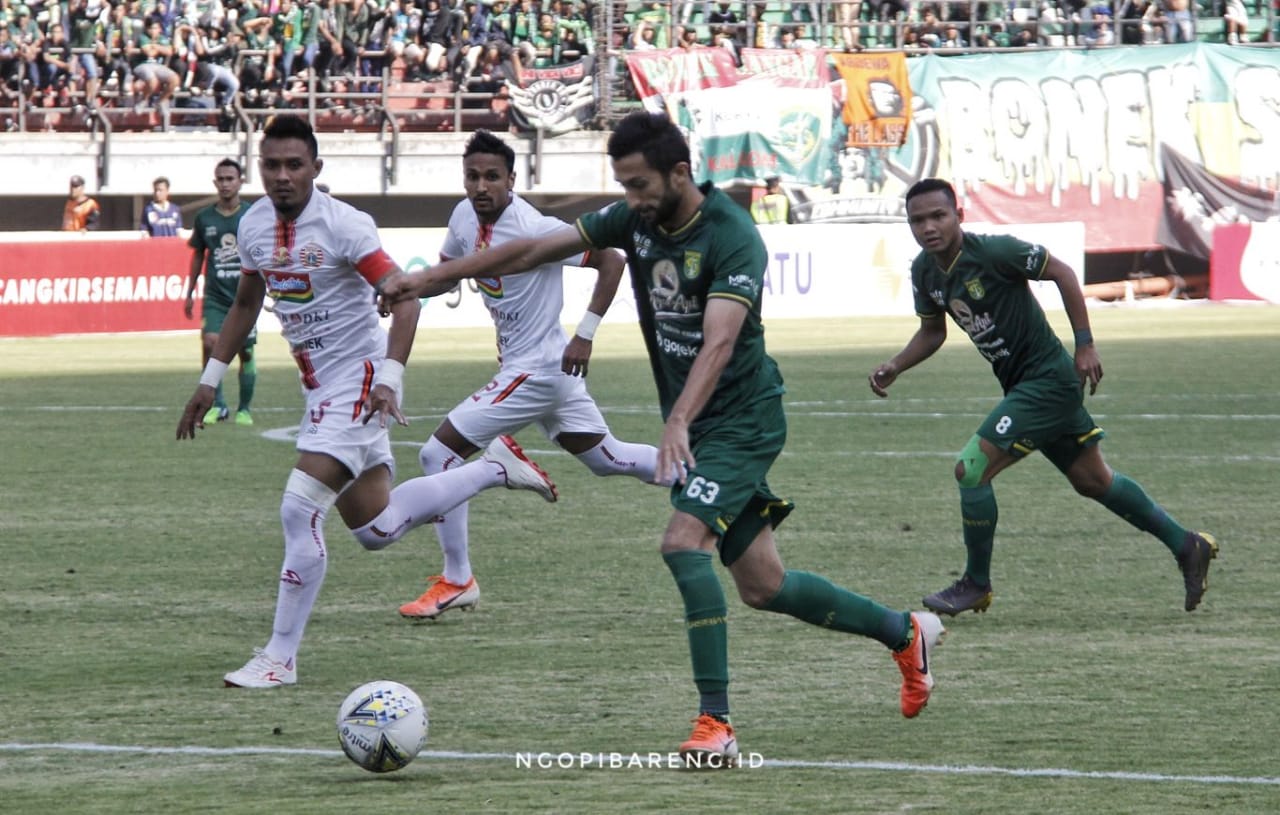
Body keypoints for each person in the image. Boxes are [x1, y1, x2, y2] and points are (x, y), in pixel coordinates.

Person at [380, 111, 946, 763]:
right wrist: (424, 279)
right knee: (765, 585)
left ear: (680, 172)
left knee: (683, 543)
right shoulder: (635, 221)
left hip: (743, 420)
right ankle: (904, 633)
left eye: (641, 184)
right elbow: (534, 249)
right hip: (703, 421)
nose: (633, 199)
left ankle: (717, 723)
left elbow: (720, 340)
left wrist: (678, 419)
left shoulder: (734, 237)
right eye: (623, 185)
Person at [175, 115, 559, 689]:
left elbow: (405, 299)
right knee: (374, 529)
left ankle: (280, 657)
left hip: (357, 383)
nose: (282, 176)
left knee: (298, 507)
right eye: (272, 165)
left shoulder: (345, 226)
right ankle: (491, 469)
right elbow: (245, 304)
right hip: (318, 390)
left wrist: (390, 377)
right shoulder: (254, 225)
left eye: (294, 165)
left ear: (316, 169)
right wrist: (209, 380)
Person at [869, 178, 1218, 618]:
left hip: (1048, 382)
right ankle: (1187, 544)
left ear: (959, 215)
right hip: (1024, 387)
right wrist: (896, 365)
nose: (928, 227)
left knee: (971, 468)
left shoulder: (995, 252)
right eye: (917, 220)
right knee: (1094, 480)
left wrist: (1085, 344)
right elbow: (933, 331)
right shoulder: (924, 271)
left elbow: (1063, 273)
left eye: (938, 216)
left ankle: (976, 583)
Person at [396, 130, 668, 621]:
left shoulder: (535, 228)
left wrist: (585, 334)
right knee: (610, 458)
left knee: (437, 454)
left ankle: (458, 579)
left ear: (512, 180)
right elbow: (447, 273)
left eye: (492, 177)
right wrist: (404, 292)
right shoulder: (463, 217)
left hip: (539, 370)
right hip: (546, 375)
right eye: (473, 177)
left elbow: (612, 258)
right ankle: (716, 485)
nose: (481, 187)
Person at [185, 158, 256, 427]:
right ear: (215, 182)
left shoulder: (251, 215)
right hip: (215, 297)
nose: (225, 183)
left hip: (245, 296)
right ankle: (219, 404)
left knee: (245, 352)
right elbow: (197, 255)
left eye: (230, 178)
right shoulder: (205, 218)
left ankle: (245, 409)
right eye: (221, 179)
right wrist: (190, 291)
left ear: (240, 181)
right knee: (209, 343)